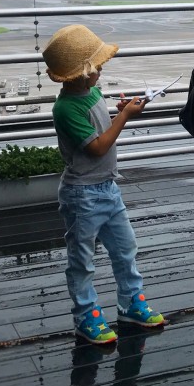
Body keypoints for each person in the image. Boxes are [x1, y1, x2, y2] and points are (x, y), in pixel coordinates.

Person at [43, 23, 166, 345]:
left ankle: (130, 302)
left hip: (108, 188)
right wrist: (124, 120)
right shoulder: (65, 108)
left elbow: (100, 130)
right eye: (97, 66)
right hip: (82, 194)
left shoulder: (93, 92)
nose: (101, 69)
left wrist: (119, 112)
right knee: (82, 259)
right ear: (83, 72)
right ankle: (86, 315)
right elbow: (97, 147)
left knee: (125, 249)